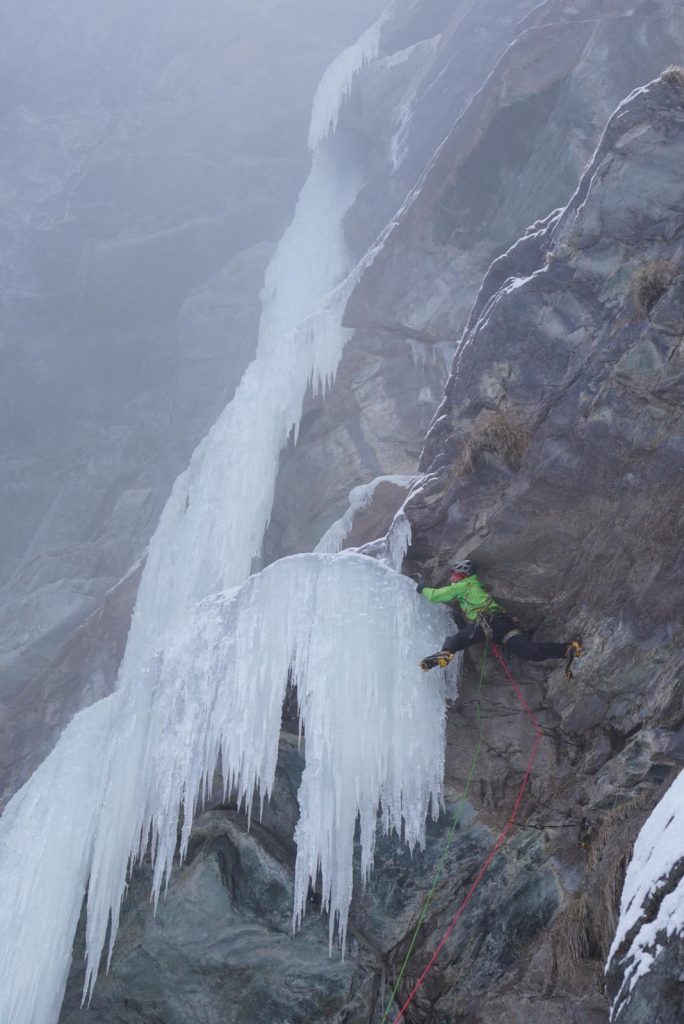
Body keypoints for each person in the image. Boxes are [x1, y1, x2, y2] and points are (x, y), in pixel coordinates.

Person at [416, 560, 581, 674]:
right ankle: (567, 649)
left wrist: (423, 588)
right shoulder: (476, 587)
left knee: (460, 639)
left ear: (461, 574)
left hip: (486, 622)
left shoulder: (463, 586)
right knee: (528, 651)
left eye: (453, 574)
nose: (451, 577)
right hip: (504, 625)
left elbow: (435, 596)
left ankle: (445, 653)